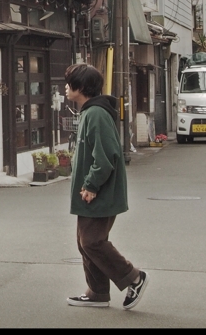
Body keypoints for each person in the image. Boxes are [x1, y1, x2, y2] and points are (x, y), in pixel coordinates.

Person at [64, 63, 149, 310]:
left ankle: (134, 277)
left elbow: (107, 157)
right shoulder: (91, 112)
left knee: (92, 241)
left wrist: (91, 185)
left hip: (98, 192)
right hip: (91, 192)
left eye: (70, 83)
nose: (66, 87)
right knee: (85, 242)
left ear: (80, 87)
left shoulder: (96, 114)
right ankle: (98, 293)